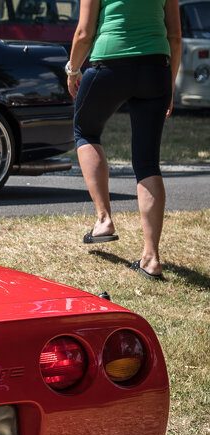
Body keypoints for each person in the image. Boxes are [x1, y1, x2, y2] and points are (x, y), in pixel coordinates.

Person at [68, 0, 181, 281]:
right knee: (146, 162)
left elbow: (84, 33)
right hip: (156, 67)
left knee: (86, 132)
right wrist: (170, 84)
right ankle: (151, 259)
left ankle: (104, 220)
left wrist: (72, 69)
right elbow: (175, 36)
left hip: (110, 64)